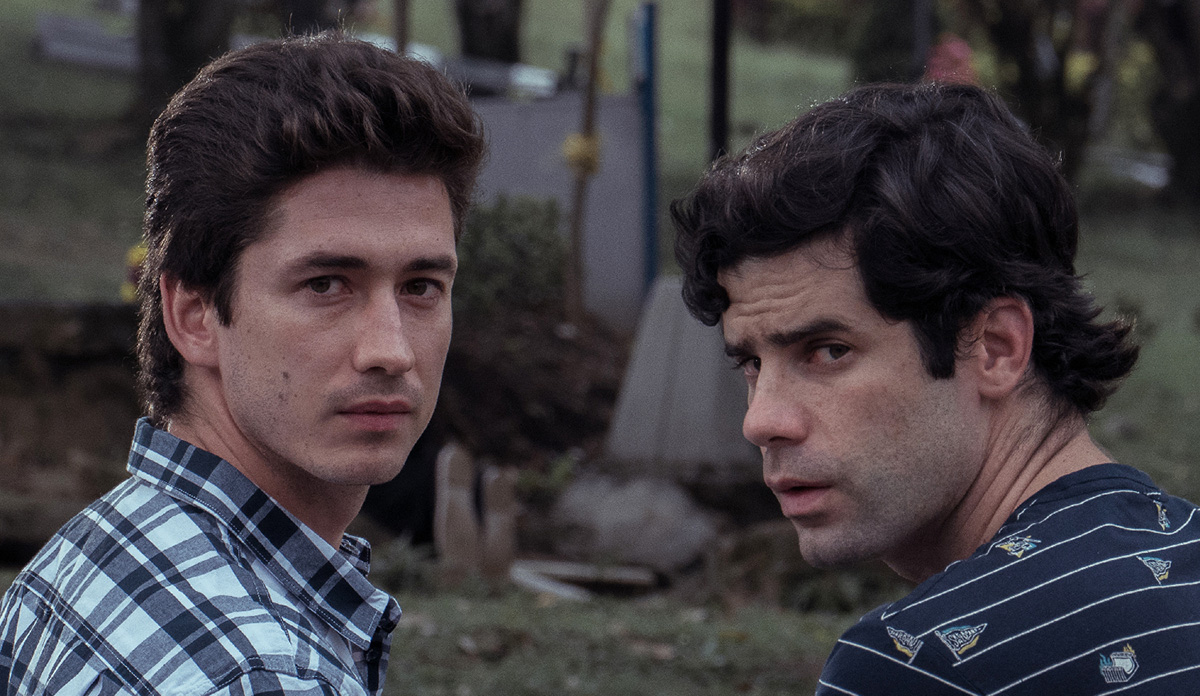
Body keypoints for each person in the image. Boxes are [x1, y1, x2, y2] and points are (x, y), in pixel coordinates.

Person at [673, 82, 1200, 694]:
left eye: (828, 351)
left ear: (996, 348)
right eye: (751, 363)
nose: (760, 421)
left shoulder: (912, 667)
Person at [0, 32, 485, 695]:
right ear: (194, 315)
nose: (391, 350)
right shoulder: (260, 674)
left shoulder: (86, 556)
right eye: (326, 285)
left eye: (421, 287)